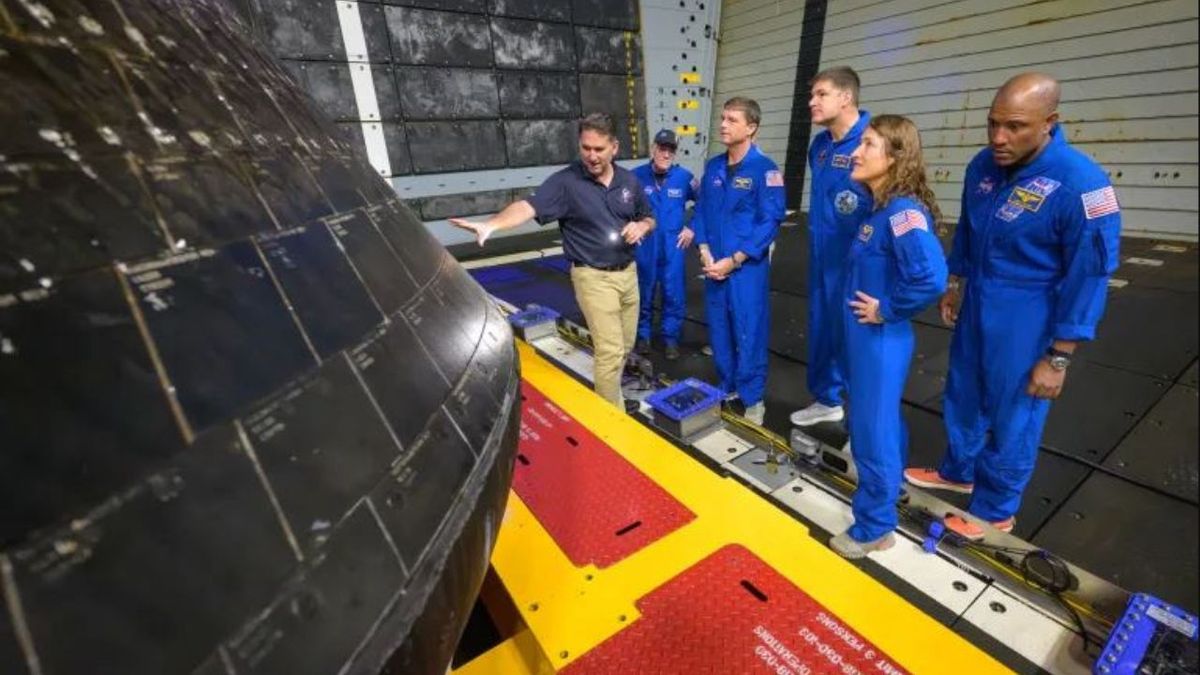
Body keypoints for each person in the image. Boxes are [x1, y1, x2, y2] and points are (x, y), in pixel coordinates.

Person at [904, 73, 1122, 540]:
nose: (999, 138)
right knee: (962, 392)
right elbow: (969, 228)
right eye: (993, 124)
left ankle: (995, 510)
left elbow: (1090, 276)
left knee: (1014, 412)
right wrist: (955, 281)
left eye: (1016, 126)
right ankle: (959, 470)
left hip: (1031, 310)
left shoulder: (1083, 185)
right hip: (980, 295)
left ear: (1050, 123)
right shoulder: (984, 165)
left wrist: (1059, 355)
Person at [449, 113, 654, 408]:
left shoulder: (628, 181)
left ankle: (613, 394)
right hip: (593, 278)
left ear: (614, 147)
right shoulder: (565, 183)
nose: (592, 156)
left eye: (599, 149)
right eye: (586, 148)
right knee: (609, 351)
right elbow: (527, 207)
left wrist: (642, 226)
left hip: (628, 274)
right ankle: (612, 418)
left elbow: (648, 217)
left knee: (624, 346)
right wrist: (491, 224)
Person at [828, 115, 948, 559]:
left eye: (870, 145)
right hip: (866, 342)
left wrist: (887, 310)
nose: (857, 153)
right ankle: (888, 491)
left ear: (895, 157)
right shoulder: (879, 209)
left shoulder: (902, 214)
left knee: (870, 431)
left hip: (879, 343)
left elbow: (931, 278)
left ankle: (875, 526)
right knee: (879, 423)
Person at [692, 97, 786, 425]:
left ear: (751, 127)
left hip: (746, 269)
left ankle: (753, 397)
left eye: (732, 120)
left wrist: (735, 259)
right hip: (713, 265)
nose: (722, 125)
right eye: (722, 118)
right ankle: (727, 385)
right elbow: (701, 211)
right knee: (719, 329)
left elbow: (770, 221)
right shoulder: (714, 167)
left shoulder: (766, 171)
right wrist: (704, 250)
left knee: (749, 330)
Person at [791, 66, 874, 428]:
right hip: (824, 258)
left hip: (862, 264)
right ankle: (827, 399)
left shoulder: (874, 141)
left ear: (846, 97)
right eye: (812, 95)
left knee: (859, 342)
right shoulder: (820, 147)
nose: (811, 102)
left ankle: (864, 423)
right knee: (823, 329)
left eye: (820, 94)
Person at [632, 129, 697, 361]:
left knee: (673, 293)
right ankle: (643, 336)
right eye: (662, 148)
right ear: (653, 148)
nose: (666, 153)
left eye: (671, 150)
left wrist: (692, 228)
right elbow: (622, 207)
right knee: (643, 291)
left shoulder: (685, 178)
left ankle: (670, 338)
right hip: (645, 245)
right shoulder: (636, 176)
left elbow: (705, 203)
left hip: (673, 247)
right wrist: (632, 227)